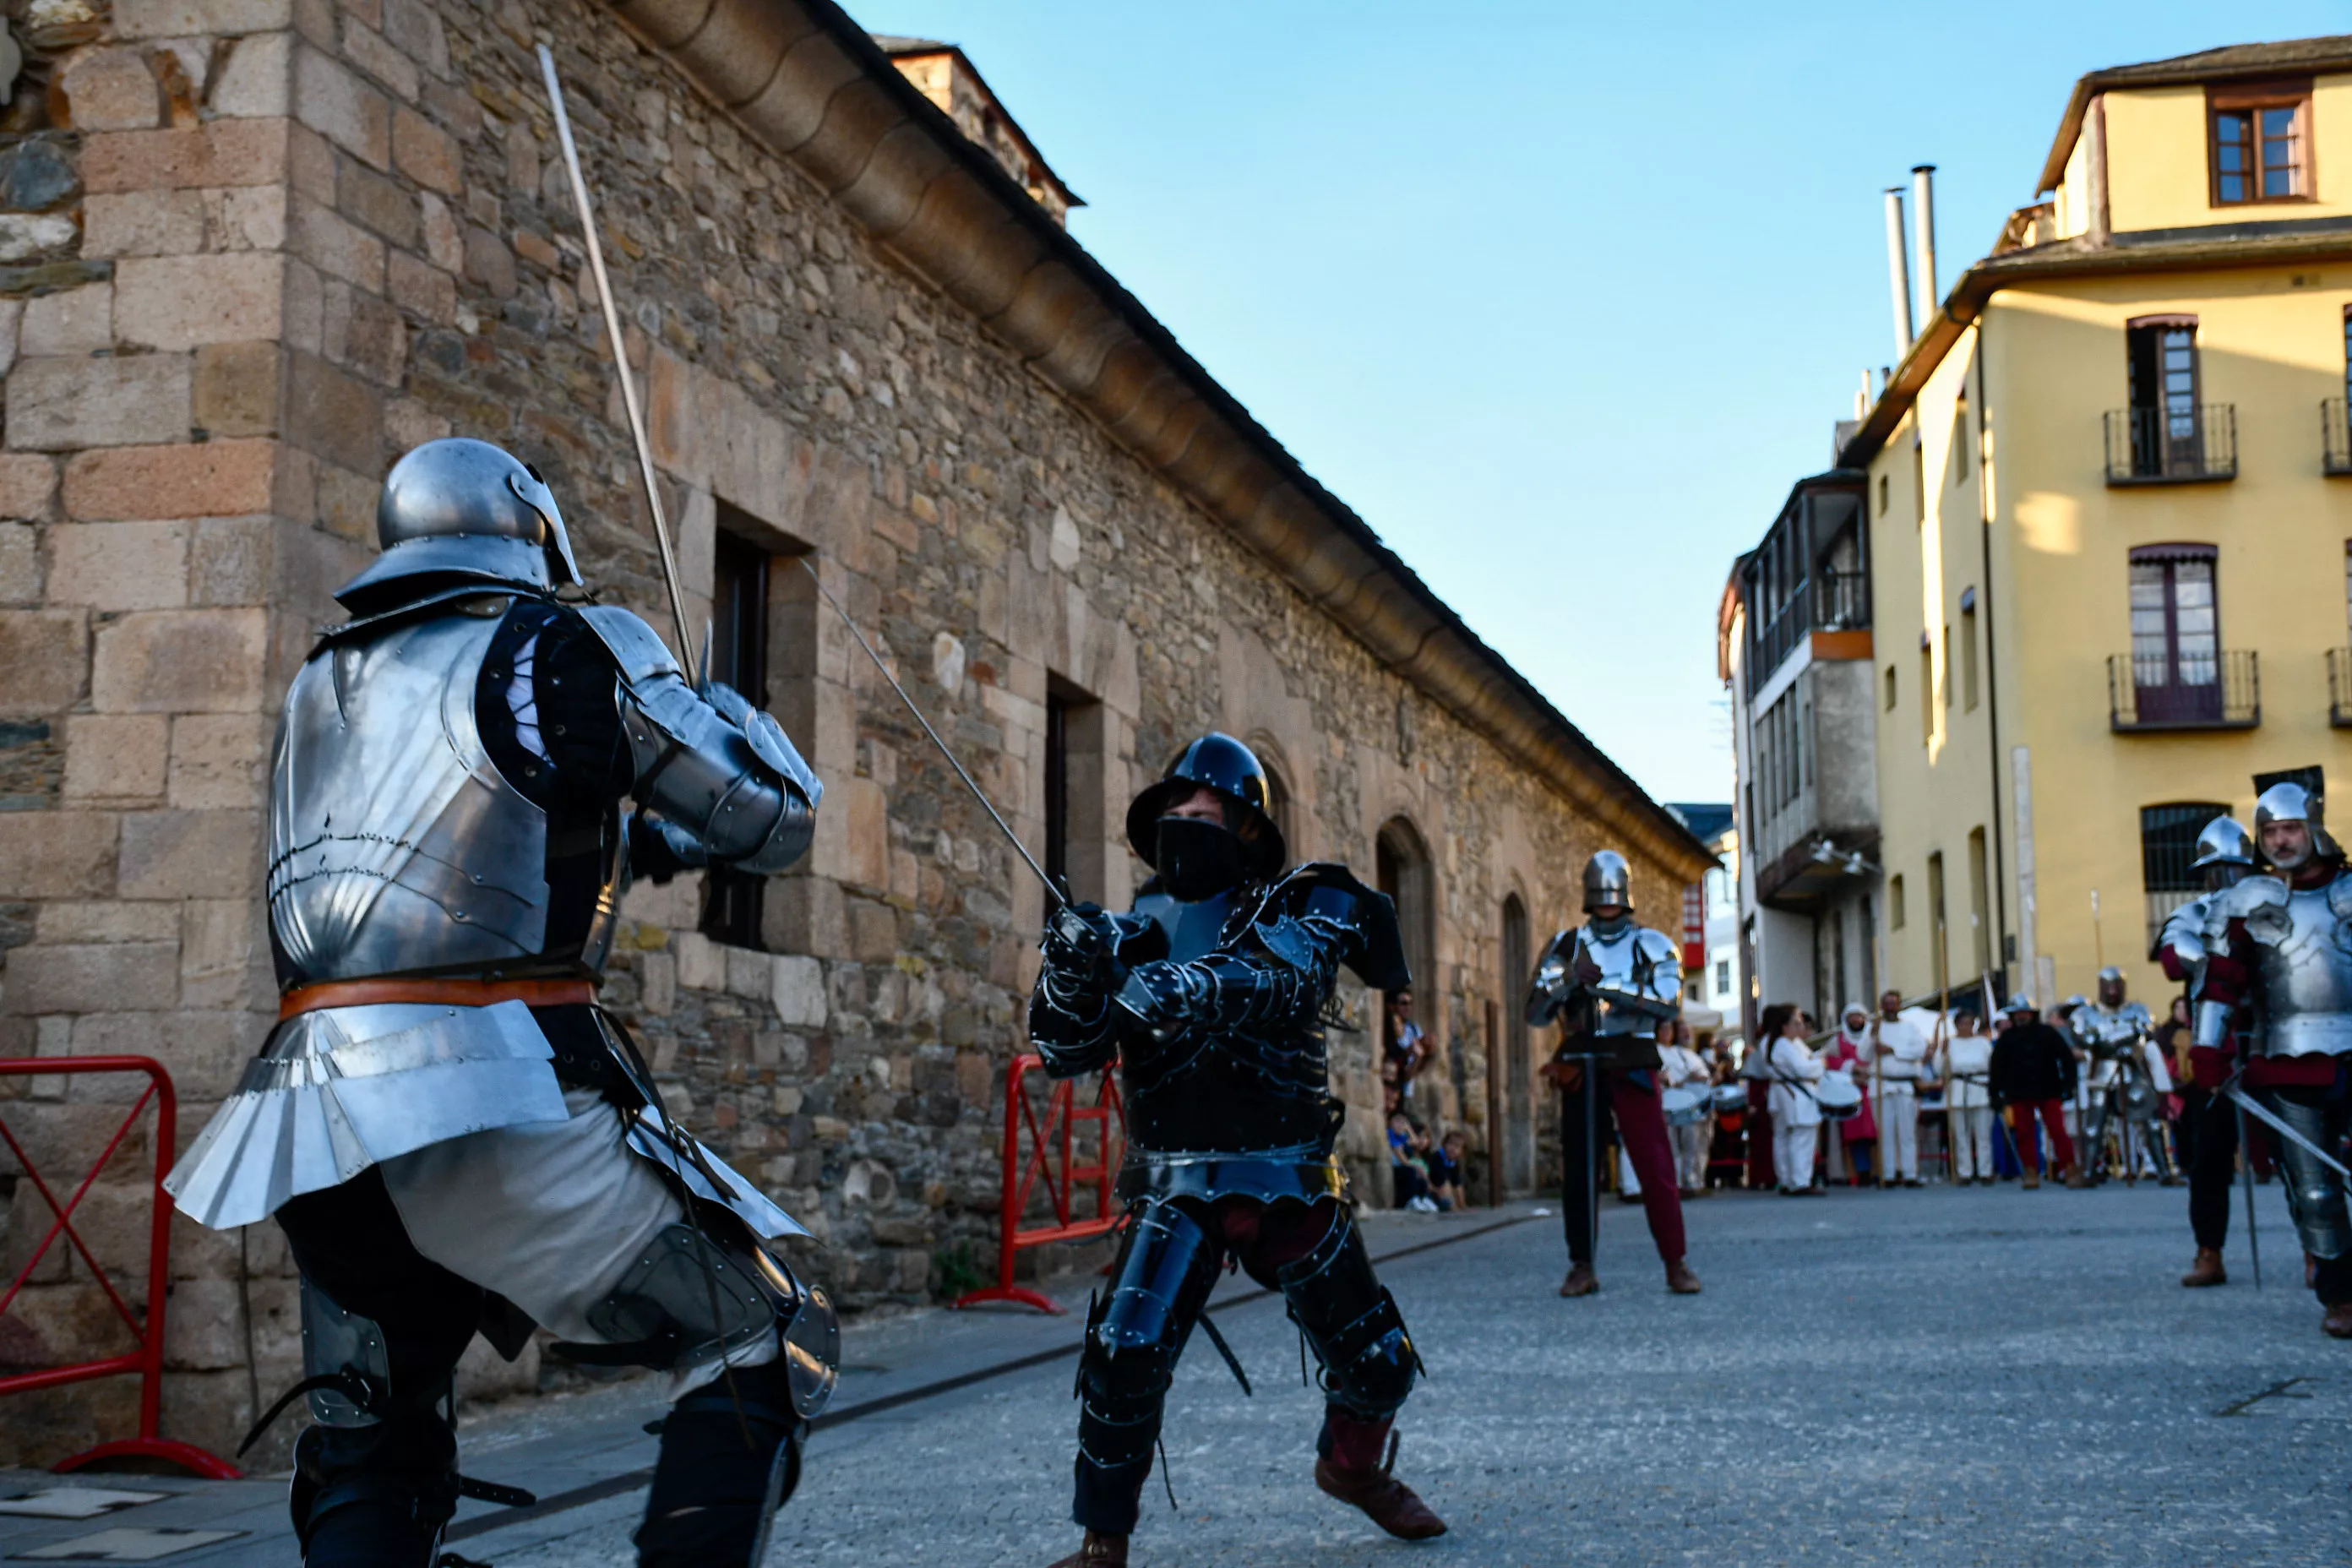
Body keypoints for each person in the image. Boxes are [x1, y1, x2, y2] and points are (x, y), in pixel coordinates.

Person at [162, 440, 836, 1568]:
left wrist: (637, 834)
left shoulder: (325, 675)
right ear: (532, 528)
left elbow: (491, 840)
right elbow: (768, 821)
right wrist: (725, 713)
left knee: (374, 1438)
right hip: (487, 1083)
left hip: (308, 1104)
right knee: (762, 1330)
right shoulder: (567, 641)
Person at [1027, 732, 1445, 1565]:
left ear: (1247, 824)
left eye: (1204, 811)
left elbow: (1287, 979)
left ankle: (1354, 1468)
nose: (1186, 824)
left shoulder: (1307, 903)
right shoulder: (1131, 929)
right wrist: (1074, 970)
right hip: (1175, 1176)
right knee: (1125, 1346)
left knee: (1378, 1362)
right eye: (1173, 812)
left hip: (1285, 1168)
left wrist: (1190, 982)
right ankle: (1102, 1538)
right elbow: (1065, 1050)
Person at [2195, 781, 2352, 1338]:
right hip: (2287, 1064)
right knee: (2313, 1191)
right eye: (2270, 833)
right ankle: (2341, 1298)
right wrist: (2207, 1052)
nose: (2282, 841)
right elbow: (2220, 986)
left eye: (2290, 829)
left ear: (2313, 829)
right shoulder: (2248, 902)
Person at [1527, 851, 1701, 1298]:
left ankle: (1675, 1261)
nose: (1607, 904)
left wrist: (1604, 984)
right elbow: (1535, 1011)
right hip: (1583, 1060)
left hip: (1634, 1056)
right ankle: (1581, 1264)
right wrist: (1568, 978)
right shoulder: (1567, 943)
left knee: (1655, 1163)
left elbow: (1668, 1004)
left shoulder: (1654, 944)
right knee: (1581, 1168)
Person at [2074, 966, 2173, 1184]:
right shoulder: (2086, 1014)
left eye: (2116, 985)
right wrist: (2122, 1039)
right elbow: (2086, 1040)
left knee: (2151, 1124)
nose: (2112, 990)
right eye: (2108, 985)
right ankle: (2090, 1171)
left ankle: (2164, 1171)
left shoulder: (2138, 1010)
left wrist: (2118, 1042)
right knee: (2094, 1127)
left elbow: (2146, 1033)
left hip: (2133, 1070)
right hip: (2102, 1072)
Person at [1990, 997, 2082, 1190]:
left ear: (2032, 1013)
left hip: (2048, 1089)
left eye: (2025, 1012)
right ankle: (2031, 1171)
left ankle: (2071, 1169)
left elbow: (2067, 1059)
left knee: (2058, 1130)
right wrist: (1994, 1093)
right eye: (2018, 1013)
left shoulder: (2047, 1033)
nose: (2022, 1016)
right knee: (2024, 1133)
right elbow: (1996, 1068)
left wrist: (2068, 1085)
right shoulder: (2007, 1038)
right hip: (2019, 1091)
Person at [1869, 992, 1932, 1187]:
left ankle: (1910, 1173)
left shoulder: (1910, 1028)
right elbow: (1863, 1054)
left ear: (1899, 1005)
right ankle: (1888, 1174)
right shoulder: (1875, 1028)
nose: (1890, 1007)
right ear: (1881, 1005)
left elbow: (1920, 1050)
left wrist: (1894, 1050)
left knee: (1907, 1132)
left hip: (1905, 1084)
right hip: (1882, 1083)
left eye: (1893, 1003)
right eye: (1886, 1004)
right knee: (1886, 1132)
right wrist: (1871, 1036)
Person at [1762, 1004, 1824, 1195]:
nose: (1800, 1027)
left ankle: (1788, 1179)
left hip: (1785, 1092)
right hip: (1792, 1092)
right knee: (1800, 1136)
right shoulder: (1784, 1044)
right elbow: (1802, 1069)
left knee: (1785, 1137)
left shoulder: (1785, 1043)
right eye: (1796, 1023)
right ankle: (1799, 1180)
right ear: (1785, 1026)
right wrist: (1820, 1064)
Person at [1821, 1004, 1881, 1185]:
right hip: (1850, 1090)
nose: (1856, 1021)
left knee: (1877, 1134)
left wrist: (1868, 1072)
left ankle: (1878, 1171)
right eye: (1852, 1017)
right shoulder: (1837, 1041)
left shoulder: (1874, 1038)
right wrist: (1853, 1069)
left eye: (1859, 1017)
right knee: (1856, 1136)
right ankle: (1860, 1172)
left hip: (1873, 1088)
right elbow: (1830, 1061)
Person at [1659, 1018, 1713, 1198]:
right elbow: (1667, 1079)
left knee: (1692, 1145)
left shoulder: (1681, 1053)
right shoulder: (1658, 1051)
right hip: (1670, 1103)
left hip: (1690, 1104)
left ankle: (1692, 1181)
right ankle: (1677, 1183)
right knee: (1673, 1145)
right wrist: (1684, 1081)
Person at [1942, 1008, 1996, 1184]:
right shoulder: (1949, 1043)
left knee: (1982, 1135)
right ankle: (1964, 1172)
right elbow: (1939, 1069)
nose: (1966, 1027)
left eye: (1969, 1023)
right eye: (1962, 1024)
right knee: (1961, 1135)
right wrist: (1942, 1054)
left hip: (1980, 1088)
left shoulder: (1982, 1043)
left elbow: (1993, 1064)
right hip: (1958, 1089)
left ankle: (1985, 1171)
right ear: (1956, 1025)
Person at [1386, 988, 1430, 1104]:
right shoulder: (1389, 1029)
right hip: (1394, 1088)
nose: (1408, 1007)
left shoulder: (1414, 1029)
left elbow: (1420, 1058)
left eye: (1410, 1003)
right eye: (1404, 1003)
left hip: (1408, 1088)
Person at [1426, 1130, 1467, 1210]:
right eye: (1450, 1144)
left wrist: (1462, 1204)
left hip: (1443, 1191)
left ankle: (1462, 1207)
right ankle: (1453, 1208)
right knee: (1446, 1185)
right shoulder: (1437, 1157)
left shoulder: (1454, 1163)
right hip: (1432, 1191)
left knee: (1458, 1186)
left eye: (1457, 1146)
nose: (1453, 1148)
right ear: (1444, 1144)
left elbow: (1458, 1184)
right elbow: (1442, 1183)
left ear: (1462, 1152)